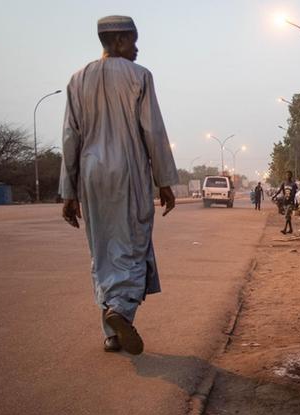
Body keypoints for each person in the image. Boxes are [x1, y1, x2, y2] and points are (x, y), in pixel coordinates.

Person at [59, 16, 178, 355]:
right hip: (129, 172)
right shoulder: (140, 76)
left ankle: (111, 334)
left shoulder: (77, 79)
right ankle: (122, 312)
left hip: (91, 174)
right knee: (133, 247)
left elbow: (70, 138)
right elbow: (152, 131)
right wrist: (165, 182)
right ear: (122, 39)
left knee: (102, 251)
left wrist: (69, 192)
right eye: (134, 41)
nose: (137, 48)